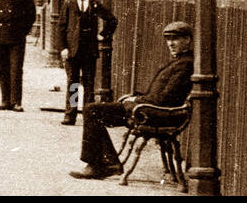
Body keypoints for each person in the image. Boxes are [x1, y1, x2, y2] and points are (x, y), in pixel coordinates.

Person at [70, 20, 194, 180]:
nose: (170, 43)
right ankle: (107, 162)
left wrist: (135, 100)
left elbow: (163, 99)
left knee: (92, 110)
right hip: (150, 109)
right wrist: (136, 97)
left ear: (188, 40)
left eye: (175, 39)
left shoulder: (185, 65)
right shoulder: (179, 61)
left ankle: (103, 164)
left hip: (156, 113)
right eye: (168, 39)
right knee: (93, 110)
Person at [58, 0, 117, 125]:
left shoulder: (94, 3)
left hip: (89, 50)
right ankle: (70, 115)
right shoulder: (69, 4)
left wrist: (103, 35)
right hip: (73, 50)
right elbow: (61, 27)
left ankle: (88, 116)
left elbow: (112, 20)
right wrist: (63, 47)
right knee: (73, 83)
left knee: (90, 84)